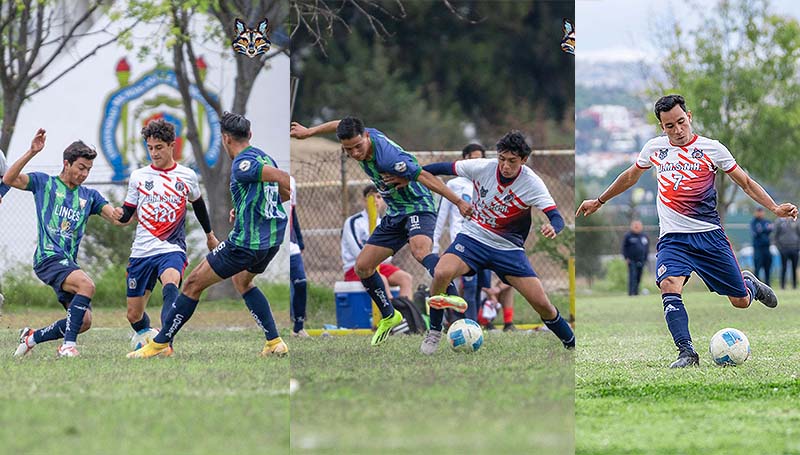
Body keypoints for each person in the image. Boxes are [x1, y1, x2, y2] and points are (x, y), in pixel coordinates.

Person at [577, 94, 797, 368]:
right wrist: (599, 200)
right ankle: (686, 352)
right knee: (669, 285)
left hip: (709, 237)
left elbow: (746, 183)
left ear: (689, 117)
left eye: (681, 122)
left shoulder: (712, 149)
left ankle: (749, 285)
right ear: (662, 127)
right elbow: (630, 176)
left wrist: (775, 208)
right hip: (672, 240)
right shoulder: (654, 149)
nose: (678, 130)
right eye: (670, 126)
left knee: (740, 301)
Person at [291, 117, 471, 346]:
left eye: (358, 146)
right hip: (395, 212)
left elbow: (425, 176)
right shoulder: (357, 136)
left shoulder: (388, 158)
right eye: (348, 149)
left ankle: (450, 293)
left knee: (420, 251)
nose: (355, 153)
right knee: (363, 266)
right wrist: (310, 132)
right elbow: (339, 124)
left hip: (418, 206)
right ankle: (389, 315)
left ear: (366, 136)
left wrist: (458, 202)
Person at [128, 112, 290, 358]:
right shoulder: (264, 156)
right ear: (250, 135)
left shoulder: (243, 163)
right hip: (272, 241)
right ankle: (274, 341)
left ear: (225, 139)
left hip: (246, 243)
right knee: (242, 282)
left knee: (192, 284)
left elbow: (284, 181)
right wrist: (246, 208)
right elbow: (282, 194)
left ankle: (159, 343)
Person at [421, 131, 574, 354]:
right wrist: (412, 174)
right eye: (502, 159)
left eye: (512, 161)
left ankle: (571, 343)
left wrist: (553, 227)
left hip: (508, 249)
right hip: (473, 238)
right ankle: (434, 331)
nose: (505, 166)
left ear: (523, 160)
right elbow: (438, 168)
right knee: (441, 272)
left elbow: (556, 217)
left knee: (542, 303)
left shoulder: (532, 183)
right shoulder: (482, 167)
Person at [7, 129, 124, 357]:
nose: (84, 174)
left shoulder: (89, 196)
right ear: (66, 164)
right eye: (81, 168)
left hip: (67, 264)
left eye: (88, 170)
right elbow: (9, 179)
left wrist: (133, 210)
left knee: (84, 321)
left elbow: (116, 219)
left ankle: (32, 337)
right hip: (47, 258)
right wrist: (32, 152)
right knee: (87, 285)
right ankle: (68, 346)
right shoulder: (44, 183)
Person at [119, 119, 219, 354]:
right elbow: (127, 213)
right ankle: (148, 334)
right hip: (141, 251)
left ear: (171, 145)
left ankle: (165, 344)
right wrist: (118, 215)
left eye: (159, 147)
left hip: (171, 247)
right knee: (133, 314)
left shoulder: (187, 176)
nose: (154, 153)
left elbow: (199, 205)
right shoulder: (138, 177)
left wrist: (210, 235)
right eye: (150, 148)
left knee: (171, 283)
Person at [432, 143, 490, 323]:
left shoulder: (486, 183)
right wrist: (434, 244)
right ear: (464, 159)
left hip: (486, 241)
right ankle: (465, 324)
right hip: (464, 242)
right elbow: (441, 216)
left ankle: (472, 322)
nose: (476, 162)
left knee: (480, 286)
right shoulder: (454, 184)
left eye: (479, 158)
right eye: (472, 158)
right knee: (468, 286)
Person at [341, 184, 413, 300]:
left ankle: (406, 313)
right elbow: (357, 253)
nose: (375, 200)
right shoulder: (353, 222)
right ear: (364, 200)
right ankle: (391, 312)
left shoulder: (385, 223)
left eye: (379, 197)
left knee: (405, 278)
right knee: (381, 279)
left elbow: (388, 255)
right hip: (356, 268)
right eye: (371, 197)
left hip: (380, 265)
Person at [289, 176, 309, 337]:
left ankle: (298, 327)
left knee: (301, 282)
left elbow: (292, 214)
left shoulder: (291, 181)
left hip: (291, 244)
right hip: (272, 241)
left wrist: (300, 241)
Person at [622, 220, 649, 296]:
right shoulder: (628, 236)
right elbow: (624, 248)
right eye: (635, 225)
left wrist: (646, 259)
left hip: (641, 259)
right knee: (632, 276)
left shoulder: (644, 236)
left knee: (638, 276)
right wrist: (626, 257)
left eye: (638, 225)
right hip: (631, 260)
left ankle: (636, 292)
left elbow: (647, 248)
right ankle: (631, 293)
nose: (636, 227)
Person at [774, 217, 800, 289]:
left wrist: (798, 247)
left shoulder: (796, 221)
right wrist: (779, 248)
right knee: (784, 268)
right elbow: (775, 236)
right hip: (784, 248)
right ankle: (782, 285)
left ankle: (794, 285)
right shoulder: (779, 222)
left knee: (794, 268)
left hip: (794, 248)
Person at [751, 207, 773, 286]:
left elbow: (770, 229)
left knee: (767, 267)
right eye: (758, 211)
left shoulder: (766, 221)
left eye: (761, 212)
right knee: (757, 267)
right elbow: (756, 233)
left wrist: (762, 230)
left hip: (766, 248)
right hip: (758, 249)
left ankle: (768, 285)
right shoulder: (753, 222)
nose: (760, 213)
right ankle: (756, 286)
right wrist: (765, 230)